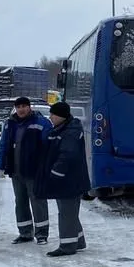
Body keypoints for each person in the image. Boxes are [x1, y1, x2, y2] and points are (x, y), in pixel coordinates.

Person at [0, 96, 53, 244]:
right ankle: (25, 233)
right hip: (16, 171)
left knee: (38, 202)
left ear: (29, 107)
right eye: (18, 107)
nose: (21, 109)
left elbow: (49, 147)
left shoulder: (41, 123)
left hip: (34, 171)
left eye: (24, 106)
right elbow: (3, 145)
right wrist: (0, 165)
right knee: (20, 203)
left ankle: (42, 235)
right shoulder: (10, 124)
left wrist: (47, 167)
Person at [33, 101, 89, 256]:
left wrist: (56, 173)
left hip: (69, 179)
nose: (50, 117)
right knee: (69, 212)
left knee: (66, 213)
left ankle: (67, 246)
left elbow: (67, 155)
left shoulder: (70, 131)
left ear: (61, 116)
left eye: (53, 114)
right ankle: (78, 241)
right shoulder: (62, 128)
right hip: (69, 179)